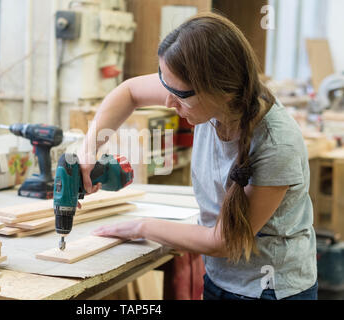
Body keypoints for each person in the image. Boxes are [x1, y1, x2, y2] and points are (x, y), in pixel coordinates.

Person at [76, 12, 318, 300]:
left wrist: (142, 226)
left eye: (178, 95)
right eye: (165, 86)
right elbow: (129, 91)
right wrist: (89, 148)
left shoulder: (277, 143)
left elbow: (224, 241)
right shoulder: (204, 100)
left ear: (220, 91)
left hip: (270, 289)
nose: (168, 102)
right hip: (220, 276)